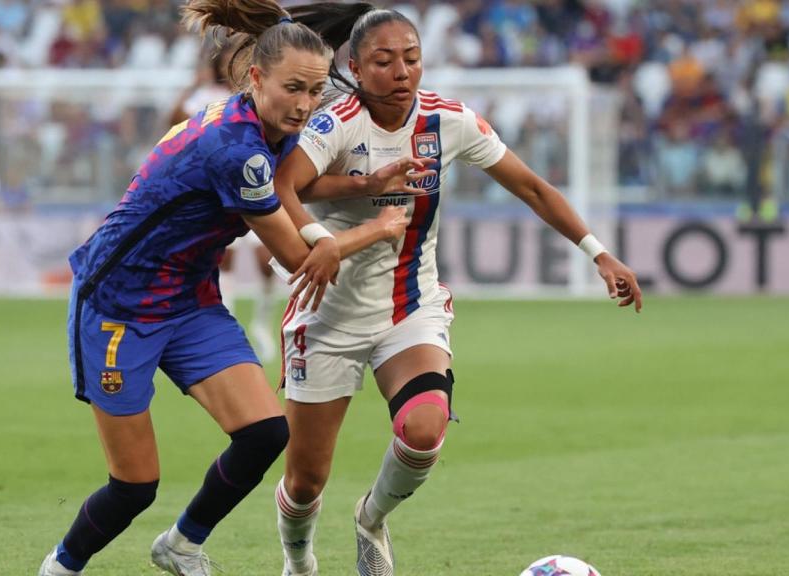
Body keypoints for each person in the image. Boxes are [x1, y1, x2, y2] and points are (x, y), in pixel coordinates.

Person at [37, 2, 410, 575]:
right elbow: (297, 257)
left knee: (263, 434)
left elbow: (288, 185)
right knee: (135, 485)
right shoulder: (234, 150)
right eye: (295, 89)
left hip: (188, 301)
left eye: (314, 91)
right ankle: (60, 567)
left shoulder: (263, 123)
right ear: (256, 78)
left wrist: (360, 182)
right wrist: (377, 227)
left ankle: (182, 545)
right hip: (118, 306)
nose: (307, 105)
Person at [270, 5, 643, 576]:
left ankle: (371, 518)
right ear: (355, 66)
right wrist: (324, 236)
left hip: (409, 307)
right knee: (304, 482)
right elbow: (283, 186)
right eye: (384, 61)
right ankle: (299, 561)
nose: (402, 72)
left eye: (412, 59)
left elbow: (533, 188)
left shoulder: (449, 120)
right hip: (328, 314)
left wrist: (599, 253)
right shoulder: (335, 122)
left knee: (423, 427)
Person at [169, 50, 283, 362]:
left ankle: (262, 323)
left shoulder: (254, 95)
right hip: (222, 194)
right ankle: (229, 323)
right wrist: (193, 85)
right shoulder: (208, 96)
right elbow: (175, 123)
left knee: (266, 261)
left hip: (257, 187)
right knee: (225, 261)